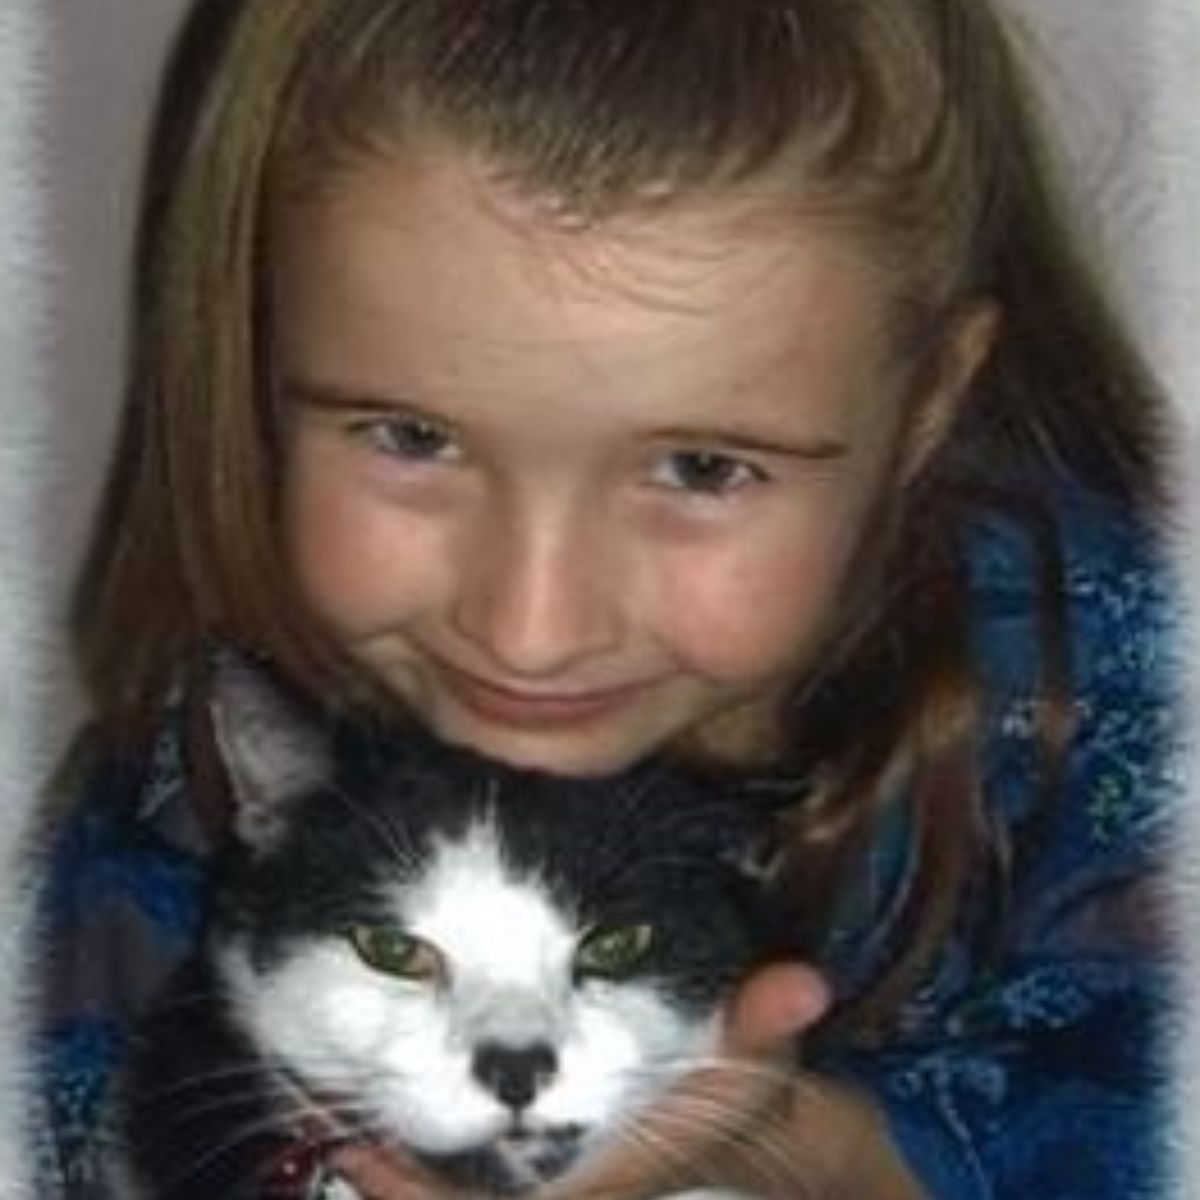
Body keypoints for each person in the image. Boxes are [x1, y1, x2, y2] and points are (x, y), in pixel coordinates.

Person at [35, 0, 1178, 1197]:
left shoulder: (1122, 687)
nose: (530, 632)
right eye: (411, 437)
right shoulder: (220, 740)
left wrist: (841, 1162)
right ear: (258, 364)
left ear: (928, 402)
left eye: (701, 466)